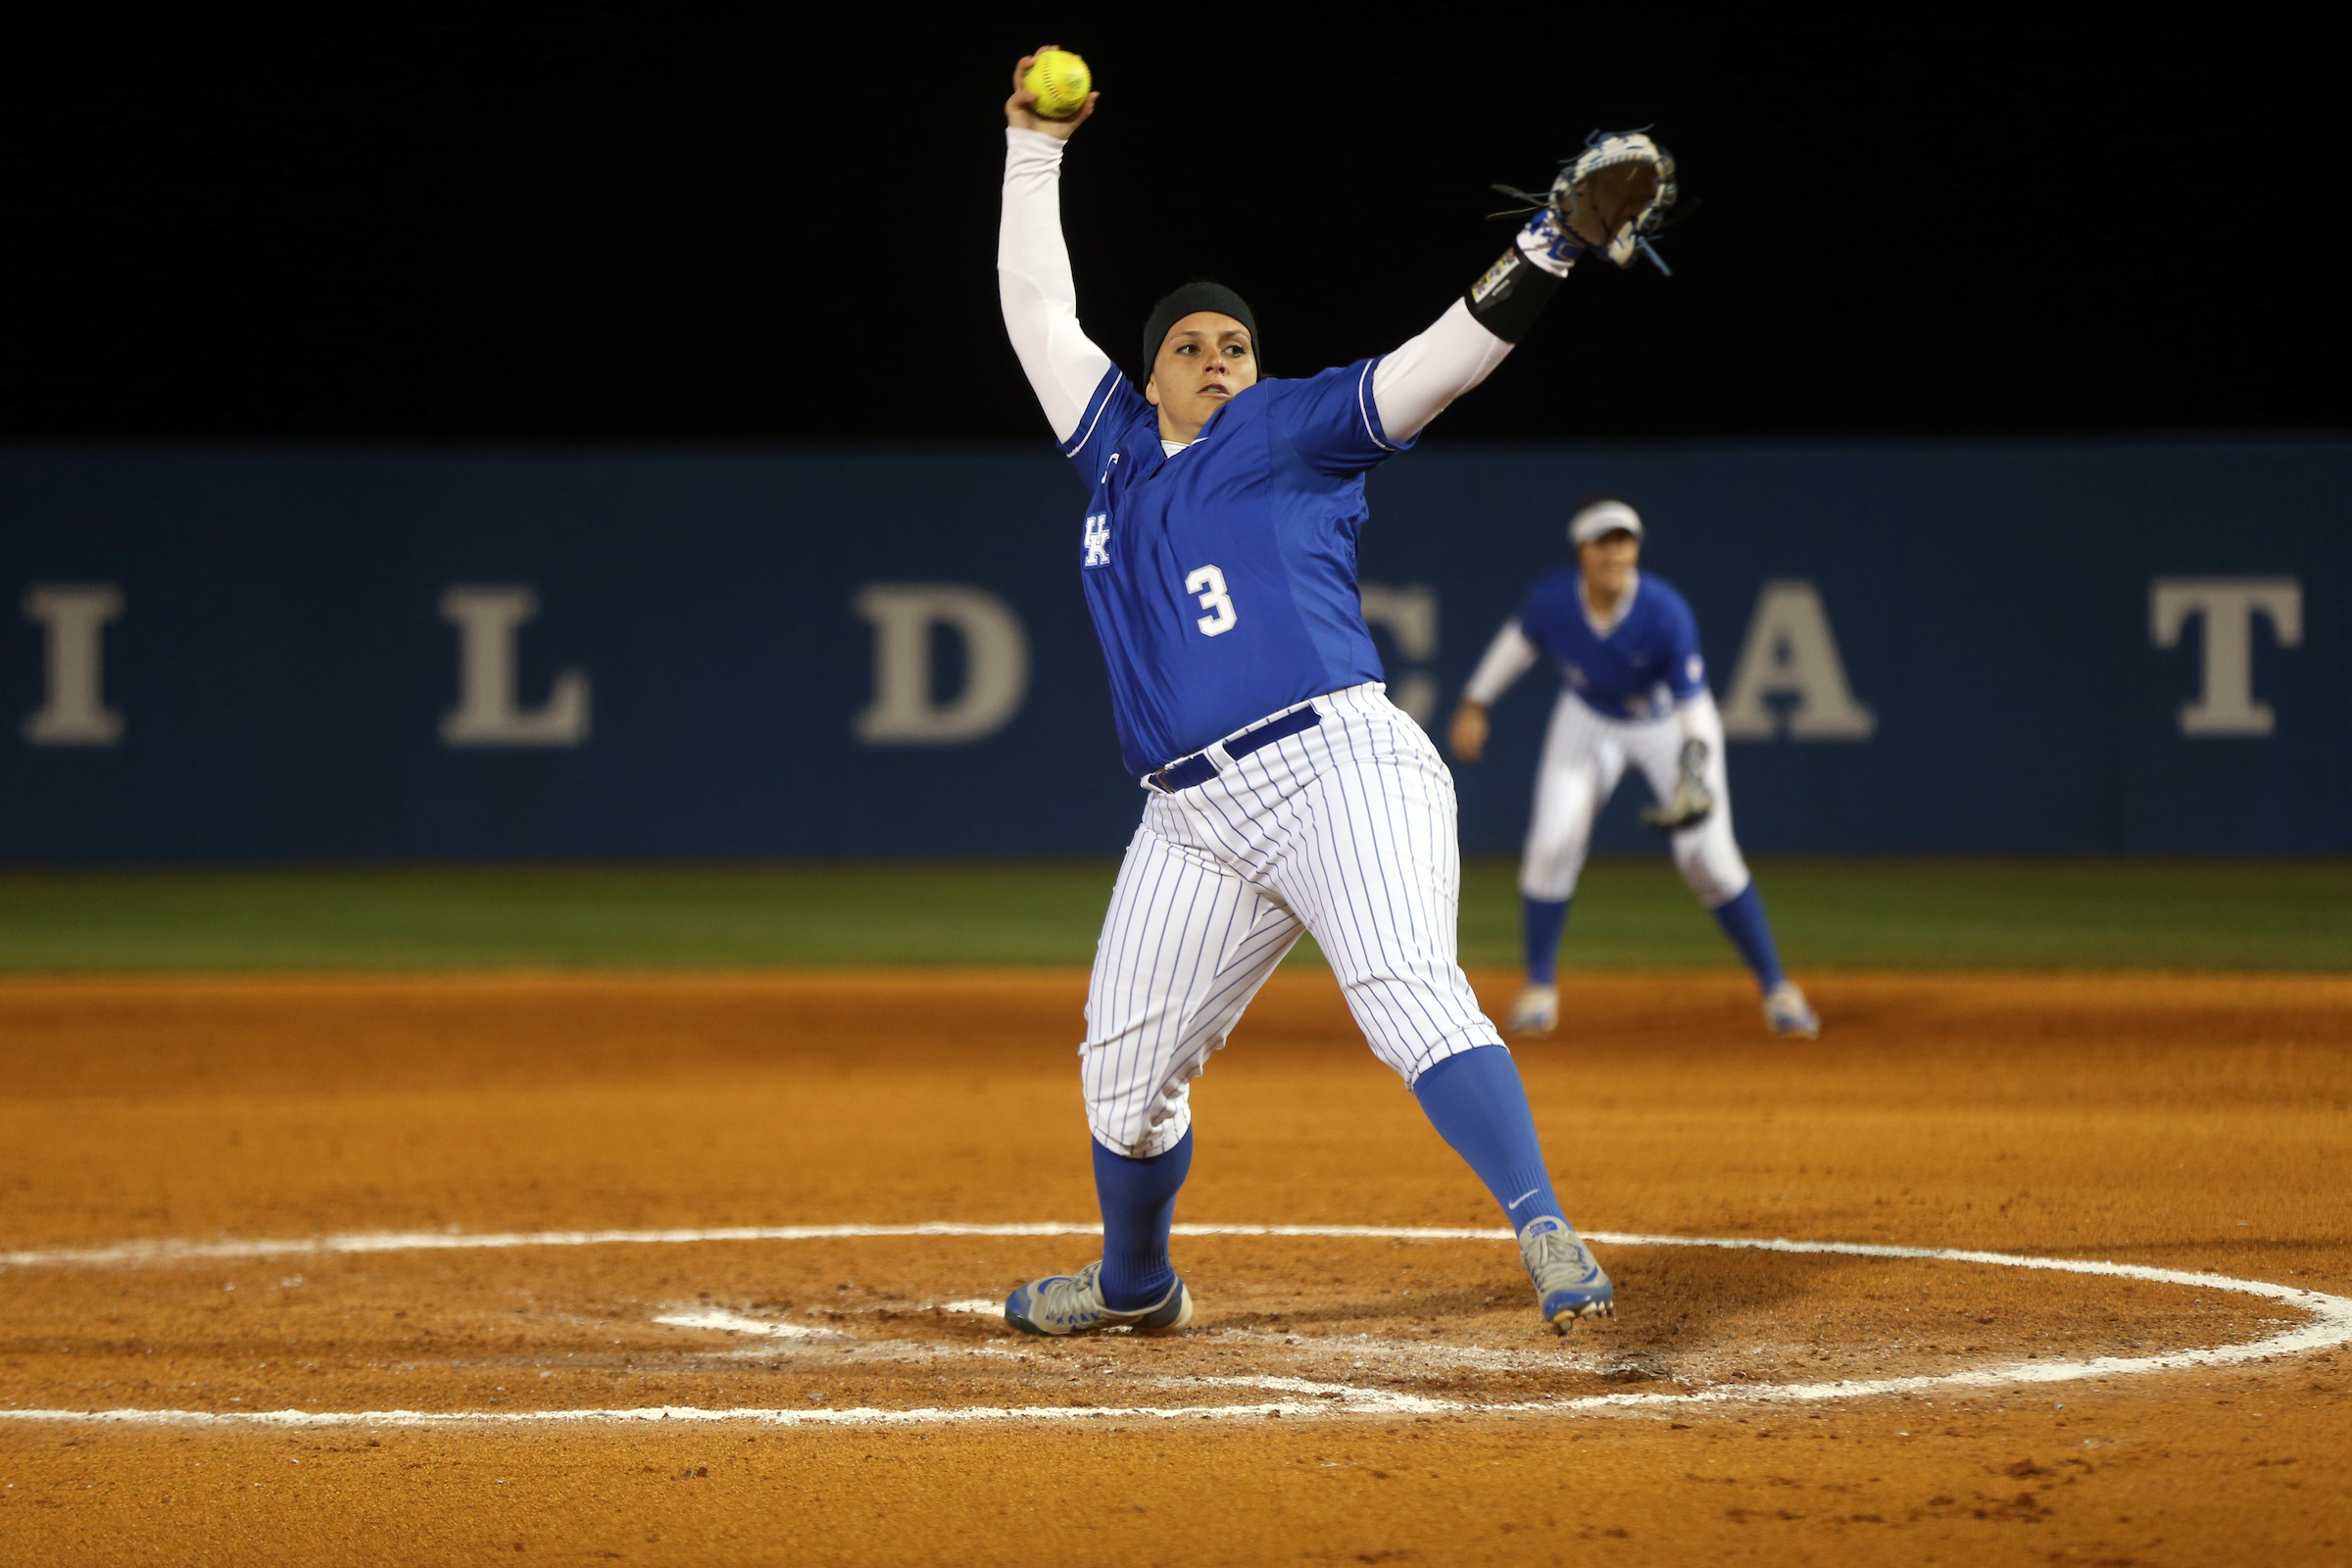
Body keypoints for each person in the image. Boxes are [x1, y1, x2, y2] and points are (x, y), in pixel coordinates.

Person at [995, 46, 1619, 1337]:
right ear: (1148, 372)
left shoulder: (1290, 428)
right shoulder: (1114, 452)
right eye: (1189, 344)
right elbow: (1035, 312)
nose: (1216, 358)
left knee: (1403, 983)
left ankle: (1543, 1222)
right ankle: (1133, 1287)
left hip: (1339, 766)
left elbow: (1441, 361)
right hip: (1188, 818)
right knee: (1121, 1083)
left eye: (1235, 343)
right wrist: (1034, 149)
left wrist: (1548, 248)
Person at [1447, 498, 1819, 1039]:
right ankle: (1538, 988)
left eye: (1624, 541)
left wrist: (1694, 776)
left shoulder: (1664, 610)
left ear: (1636, 548)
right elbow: (1517, 645)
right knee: (1552, 845)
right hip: (1587, 716)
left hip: (1668, 724)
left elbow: (1695, 708)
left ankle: (1778, 988)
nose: (1615, 553)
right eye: (1603, 542)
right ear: (1582, 551)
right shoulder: (1554, 601)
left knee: (1708, 859)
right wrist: (1476, 702)